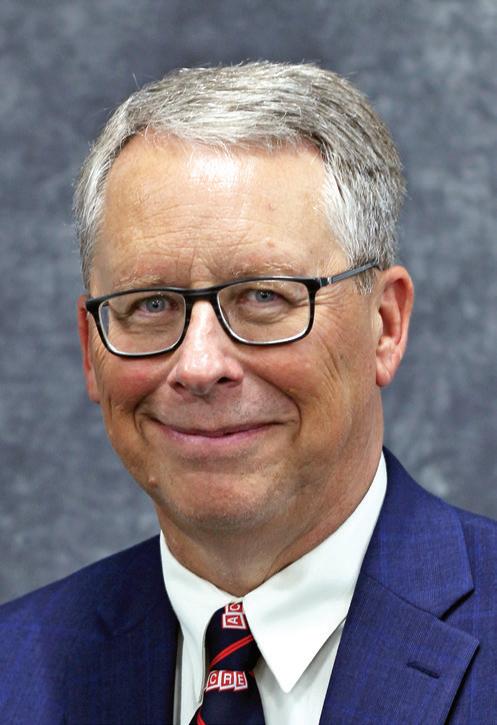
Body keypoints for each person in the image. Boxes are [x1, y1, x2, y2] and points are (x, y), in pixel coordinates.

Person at [0, 61, 495, 725]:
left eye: (263, 296)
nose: (200, 366)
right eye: (151, 304)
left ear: (385, 325)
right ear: (92, 348)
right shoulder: (13, 670)